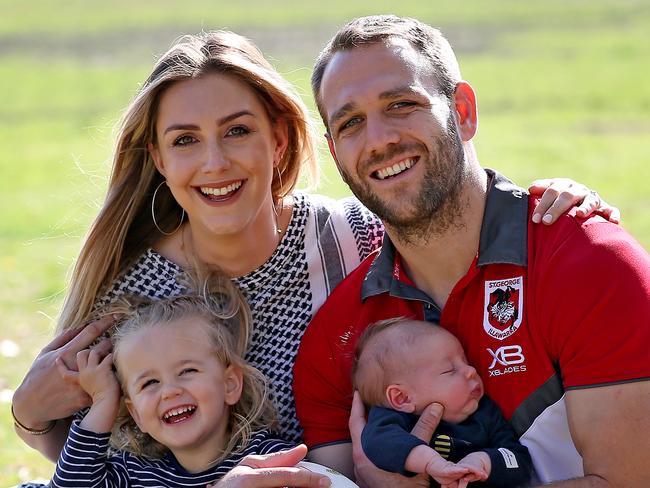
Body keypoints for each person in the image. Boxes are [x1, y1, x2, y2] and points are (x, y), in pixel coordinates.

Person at [12, 28, 613, 487]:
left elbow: (449, 218)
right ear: (159, 160)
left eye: (238, 131)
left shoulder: (354, 237)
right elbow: (93, 464)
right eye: (185, 140)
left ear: (279, 140)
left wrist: (546, 198)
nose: (215, 163)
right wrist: (30, 419)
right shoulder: (130, 295)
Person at [294, 14, 650, 488]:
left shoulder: (591, 261)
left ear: (462, 111)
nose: (379, 139)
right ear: (336, 155)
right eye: (351, 123)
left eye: (401, 104)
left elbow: (628, 480)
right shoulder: (336, 342)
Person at [49, 274, 298, 486]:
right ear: (136, 414)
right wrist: (103, 401)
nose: (169, 391)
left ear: (229, 384)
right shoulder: (133, 474)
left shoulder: (268, 461)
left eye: (187, 371)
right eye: (149, 383)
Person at [354, 318, 532, 488]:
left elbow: (518, 460)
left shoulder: (485, 412)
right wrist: (431, 462)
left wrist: (482, 460)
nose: (471, 371)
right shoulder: (392, 420)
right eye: (450, 370)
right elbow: (380, 444)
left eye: (465, 361)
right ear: (402, 398)